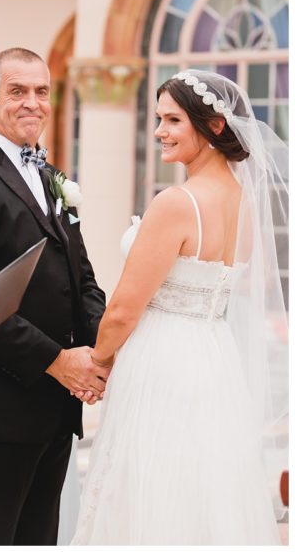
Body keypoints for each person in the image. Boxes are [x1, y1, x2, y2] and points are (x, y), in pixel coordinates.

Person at [72, 70, 287, 545]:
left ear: (212, 127)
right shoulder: (246, 203)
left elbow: (126, 307)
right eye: (158, 119)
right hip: (214, 356)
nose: (159, 131)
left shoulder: (177, 203)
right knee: (203, 487)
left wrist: (98, 363)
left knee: (149, 487)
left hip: (162, 362)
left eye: (172, 120)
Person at [0, 48, 106, 545]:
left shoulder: (50, 176)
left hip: (53, 406)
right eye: (18, 91)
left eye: (42, 91)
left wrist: (103, 353)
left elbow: (81, 279)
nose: (33, 103)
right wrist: (59, 361)